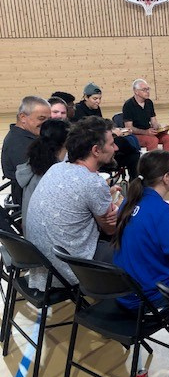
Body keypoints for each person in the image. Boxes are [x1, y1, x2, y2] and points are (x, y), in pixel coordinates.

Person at [26, 116, 120, 290]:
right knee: (135, 247)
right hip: (69, 271)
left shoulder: (57, 168)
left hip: (43, 268)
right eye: (111, 143)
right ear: (96, 150)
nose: (116, 148)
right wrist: (118, 210)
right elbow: (111, 229)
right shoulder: (92, 182)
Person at [112, 150, 169, 310]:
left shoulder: (128, 202)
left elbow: (143, 225)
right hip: (150, 297)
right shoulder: (162, 211)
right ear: (166, 177)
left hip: (124, 292)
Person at [71, 82, 141, 178]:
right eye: (95, 99)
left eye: (99, 98)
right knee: (123, 143)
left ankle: (136, 183)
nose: (98, 101)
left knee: (132, 151)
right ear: (86, 97)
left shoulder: (96, 108)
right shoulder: (78, 110)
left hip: (102, 142)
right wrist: (112, 133)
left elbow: (102, 125)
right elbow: (89, 132)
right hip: (92, 147)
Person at [15, 119, 70, 229]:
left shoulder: (34, 163)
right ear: (66, 143)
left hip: (31, 233)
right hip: (47, 237)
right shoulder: (55, 174)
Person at [1, 96, 50, 206]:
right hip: (31, 202)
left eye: (49, 119)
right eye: (41, 119)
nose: (47, 124)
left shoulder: (27, 137)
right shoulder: (19, 143)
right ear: (23, 117)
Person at [122, 79, 169, 151]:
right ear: (136, 91)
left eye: (148, 89)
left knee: (168, 138)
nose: (147, 92)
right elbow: (129, 128)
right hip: (135, 135)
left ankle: (168, 161)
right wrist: (145, 132)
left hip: (148, 132)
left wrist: (160, 128)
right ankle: (152, 162)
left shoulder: (149, 102)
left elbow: (153, 121)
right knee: (153, 140)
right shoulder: (128, 105)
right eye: (144, 90)